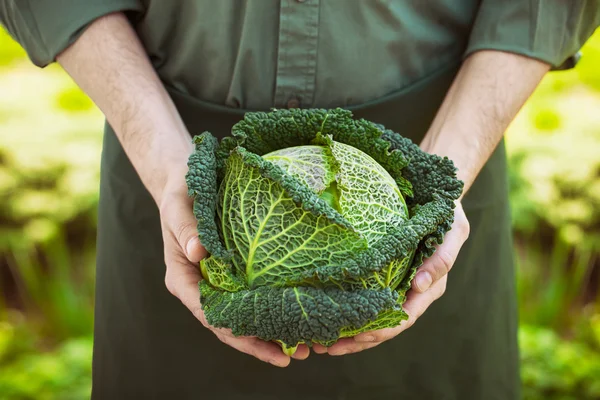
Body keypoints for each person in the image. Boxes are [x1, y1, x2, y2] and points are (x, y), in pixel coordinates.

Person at [2, 2, 599, 399]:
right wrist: (167, 169)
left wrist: (443, 176)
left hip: (446, 152)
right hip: (171, 168)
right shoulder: (185, 187)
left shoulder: (427, 192)